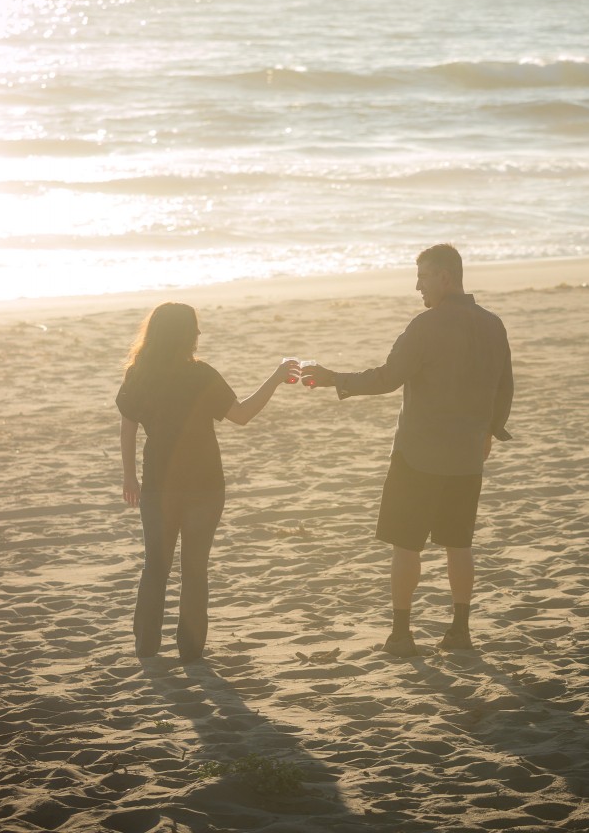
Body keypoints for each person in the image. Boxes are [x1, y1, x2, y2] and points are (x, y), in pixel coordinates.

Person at [301, 244, 513, 657]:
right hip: (468, 454)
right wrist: (490, 430)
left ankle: (401, 634)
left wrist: (333, 378)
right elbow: (504, 385)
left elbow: (387, 378)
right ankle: (460, 631)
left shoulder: (426, 325)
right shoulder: (493, 324)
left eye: (423, 277)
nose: (418, 286)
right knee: (459, 543)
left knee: (406, 545)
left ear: (445, 278)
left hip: (418, 455)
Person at [117, 302, 299, 664]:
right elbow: (242, 415)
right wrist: (276, 377)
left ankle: (146, 649)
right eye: (194, 329)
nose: (199, 335)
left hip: (158, 484)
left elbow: (128, 427)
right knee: (194, 568)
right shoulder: (201, 375)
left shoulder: (140, 373)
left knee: (156, 566)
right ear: (185, 335)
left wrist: (129, 476)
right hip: (205, 486)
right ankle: (190, 652)